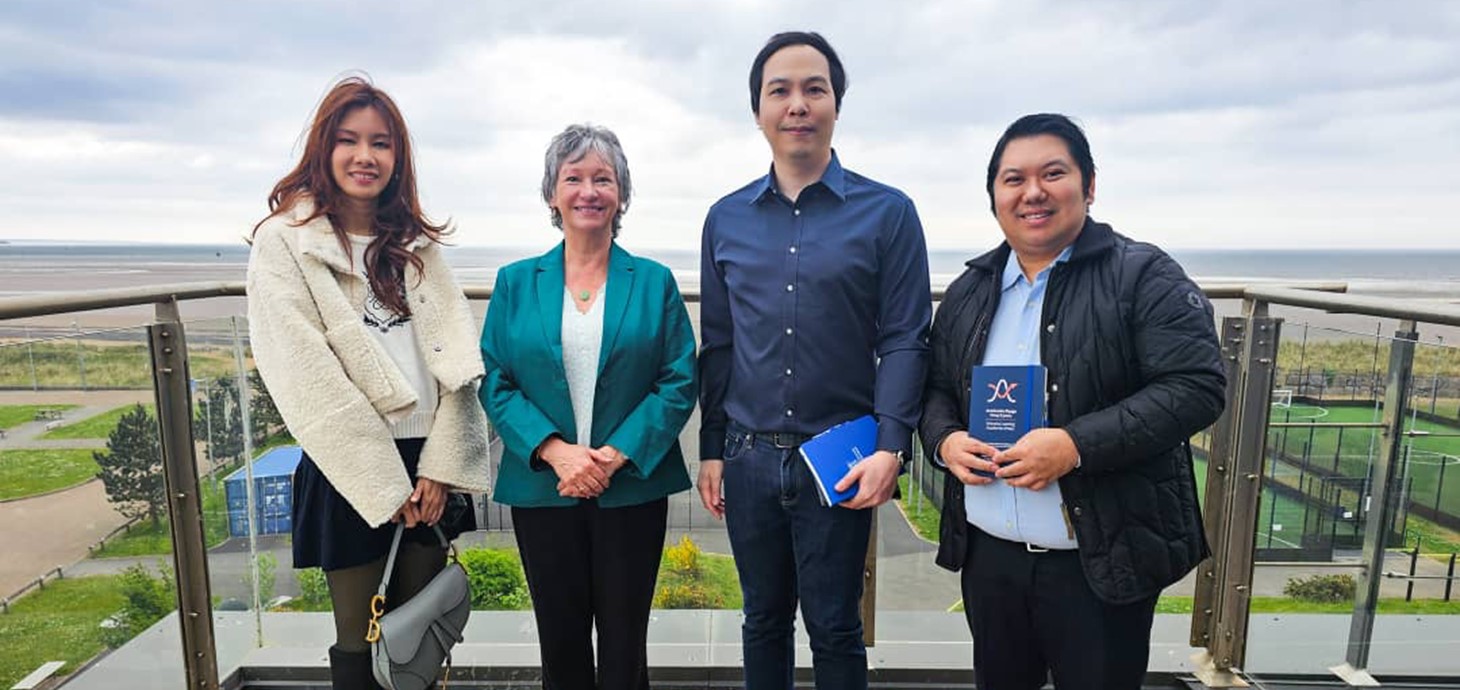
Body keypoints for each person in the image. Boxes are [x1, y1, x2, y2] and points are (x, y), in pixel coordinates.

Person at [918, 113, 1226, 689]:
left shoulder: (1142, 274)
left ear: (1088, 185)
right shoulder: (970, 290)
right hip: (992, 559)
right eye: (1013, 179)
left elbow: (1196, 387)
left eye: (1052, 173)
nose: (1032, 192)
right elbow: (935, 387)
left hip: (1101, 557)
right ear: (994, 197)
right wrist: (944, 440)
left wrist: (1075, 446)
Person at [696, 31, 932, 690]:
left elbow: (907, 337)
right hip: (747, 458)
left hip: (842, 456)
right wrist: (712, 447)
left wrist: (893, 447)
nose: (797, 104)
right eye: (781, 90)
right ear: (759, 111)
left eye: (814, 88)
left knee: (835, 626)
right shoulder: (725, 218)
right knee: (762, 621)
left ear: (835, 104)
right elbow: (719, 343)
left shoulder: (888, 214)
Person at [247, 76, 490, 690]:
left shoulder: (418, 245)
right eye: (349, 140)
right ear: (324, 149)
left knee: (420, 645)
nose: (365, 156)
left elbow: (458, 363)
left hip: (428, 467)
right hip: (349, 465)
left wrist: (439, 469)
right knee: (362, 643)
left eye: (381, 143)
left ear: (397, 158)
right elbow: (306, 377)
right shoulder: (285, 243)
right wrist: (387, 487)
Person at [478, 123, 697, 690]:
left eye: (603, 178)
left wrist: (615, 455)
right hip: (543, 490)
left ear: (621, 193)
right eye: (573, 177)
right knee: (561, 644)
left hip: (630, 490)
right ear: (553, 193)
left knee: (625, 649)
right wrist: (556, 453)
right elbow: (495, 380)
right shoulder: (515, 282)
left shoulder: (653, 282)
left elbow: (679, 380)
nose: (588, 190)